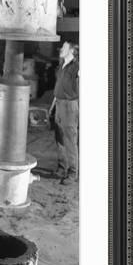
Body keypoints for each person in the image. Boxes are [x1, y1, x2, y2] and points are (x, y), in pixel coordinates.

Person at [49, 41, 79, 185]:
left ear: (72, 50)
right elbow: (58, 87)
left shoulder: (77, 67)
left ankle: (72, 173)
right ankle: (62, 168)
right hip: (59, 104)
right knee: (59, 138)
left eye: (65, 47)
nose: (61, 49)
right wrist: (53, 105)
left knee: (70, 140)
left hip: (70, 106)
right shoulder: (61, 66)